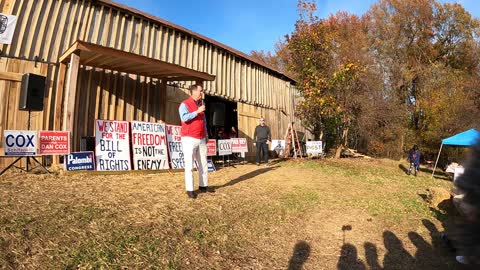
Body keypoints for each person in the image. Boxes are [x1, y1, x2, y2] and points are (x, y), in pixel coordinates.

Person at [179, 84, 213, 199]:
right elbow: (184, 118)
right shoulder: (184, 104)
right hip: (189, 137)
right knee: (189, 164)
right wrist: (197, 111)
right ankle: (190, 189)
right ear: (193, 92)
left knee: (203, 162)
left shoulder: (201, 105)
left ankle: (203, 186)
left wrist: (206, 134)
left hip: (201, 137)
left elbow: (204, 121)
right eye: (200, 91)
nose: (202, 93)